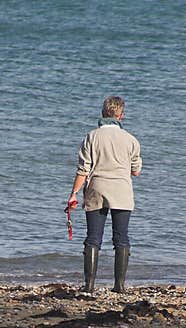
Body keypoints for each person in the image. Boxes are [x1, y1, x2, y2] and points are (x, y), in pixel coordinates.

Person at [68, 95, 142, 293]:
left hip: (97, 189)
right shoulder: (131, 140)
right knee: (121, 238)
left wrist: (73, 193)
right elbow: (135, 171)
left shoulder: (91, 137)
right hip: (122, 191)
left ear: (103, 113)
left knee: (93, 238)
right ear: (121, 115)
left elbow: (83, 169)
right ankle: (119, 286)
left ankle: (89, 285)